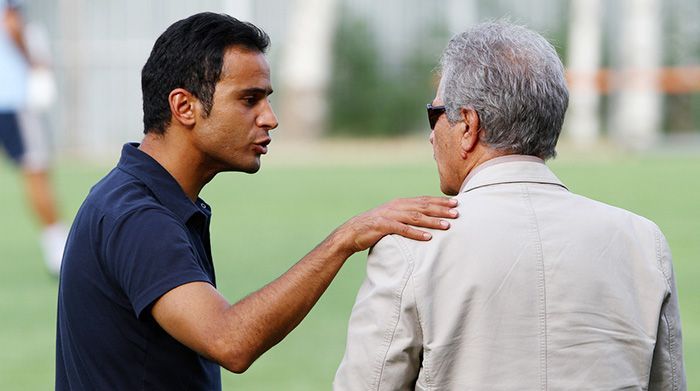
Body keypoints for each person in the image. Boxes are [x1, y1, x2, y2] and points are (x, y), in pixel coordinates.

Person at [55, 12, 459, 390]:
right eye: (249, 100)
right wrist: (345, 239)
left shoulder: (145, 198)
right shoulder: (136, 214)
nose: (270, 118)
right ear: (184, 107)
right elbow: (230, 340)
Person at [334, 21, 686, 390]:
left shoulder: (412, 243)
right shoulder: (644, 243)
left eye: (434, 115)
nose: (430, 135)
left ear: (468, 125)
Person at [0, 0, 67, 275]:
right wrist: (33, 61)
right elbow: (12, 24)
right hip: (12, 98)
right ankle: (59, 251)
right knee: (36, 170)